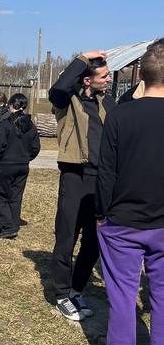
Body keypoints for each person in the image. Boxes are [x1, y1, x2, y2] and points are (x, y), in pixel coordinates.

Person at [93, 40, 164, 345]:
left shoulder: (121, 115)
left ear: (141, 75)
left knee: (122, 292)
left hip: (121, 220)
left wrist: (101, 213)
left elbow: (106, 172)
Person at [49, 51, 114, 321]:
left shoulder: (106, 102)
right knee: (67, 236)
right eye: (104, 75)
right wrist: (82, 58)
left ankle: (76, 289)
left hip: (102, 179)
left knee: (94, 239)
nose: (109, 79)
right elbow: (59, 88)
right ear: (87, 80)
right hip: (76, 176)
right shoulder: (67, 101)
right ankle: (61, 294)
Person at [0, 93, 40, 240]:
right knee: (15, 197)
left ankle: (8, 226)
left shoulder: (6, 124)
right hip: (23, 166)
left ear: (11, 105)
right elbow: (36, 147)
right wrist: (25, 158)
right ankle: (14, 224)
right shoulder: (31, 126)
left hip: (6, 164)